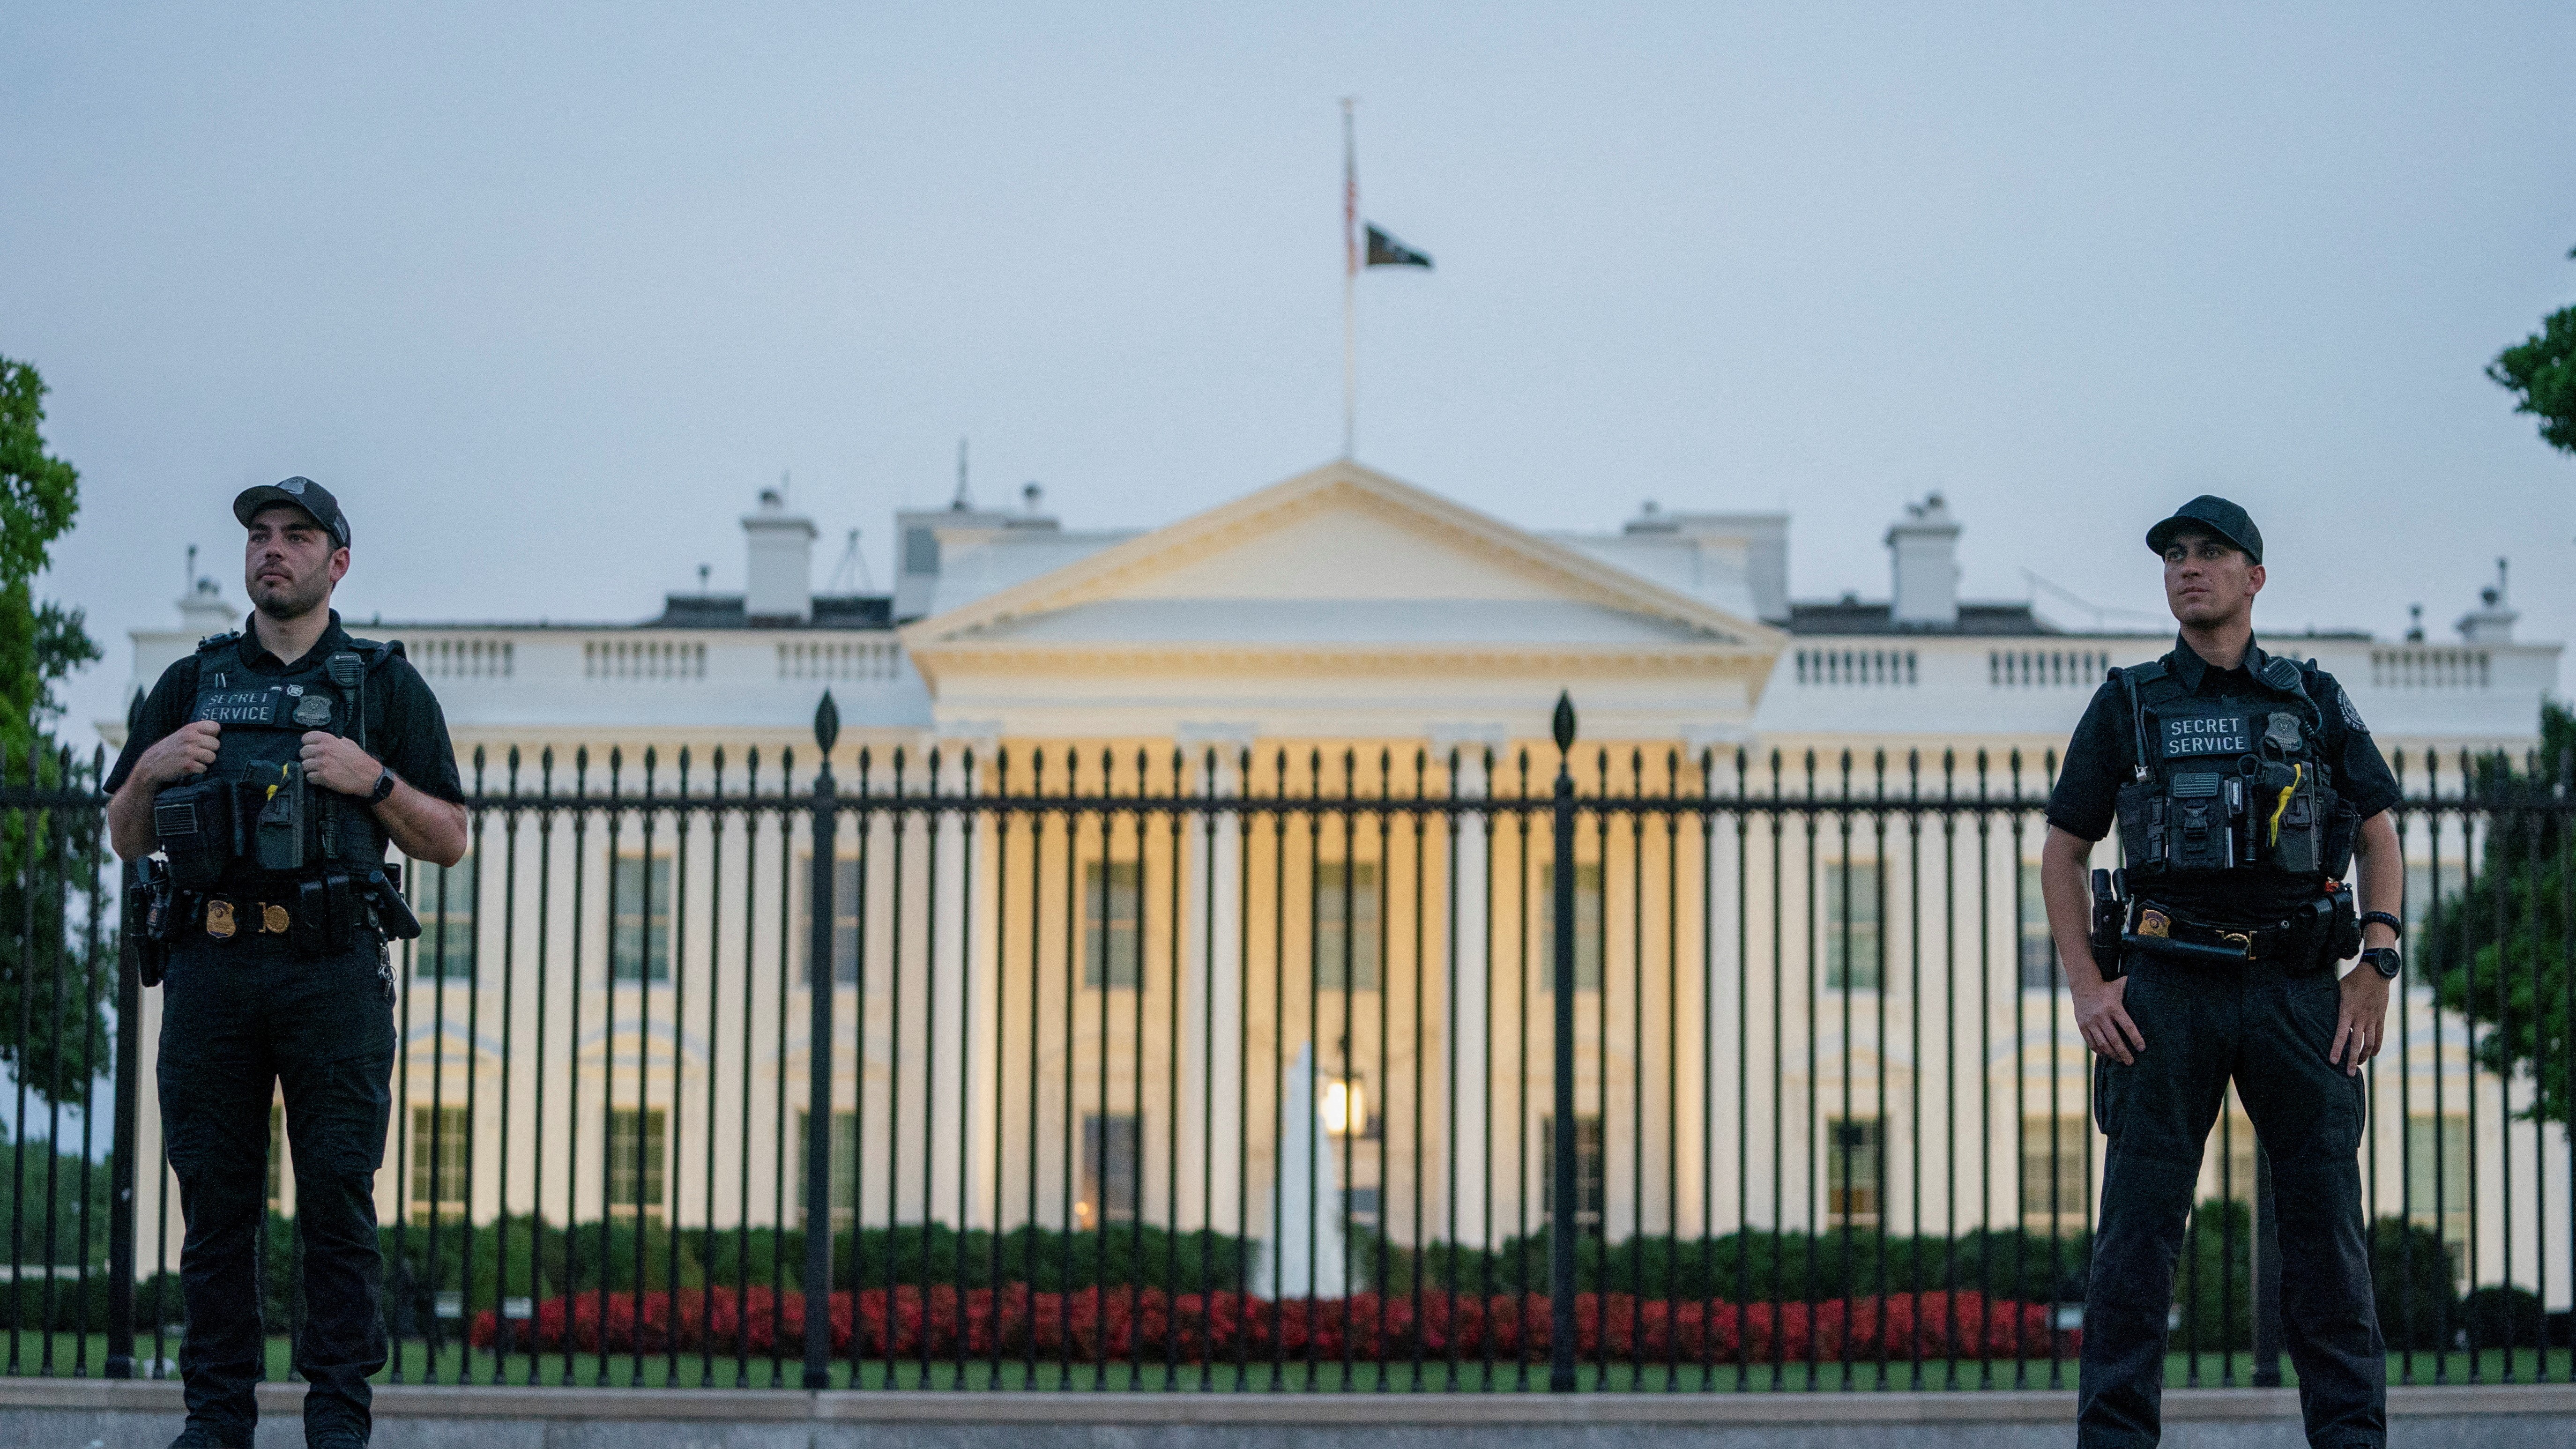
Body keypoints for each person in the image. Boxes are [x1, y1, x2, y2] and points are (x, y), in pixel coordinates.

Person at [106, 478, 468, 1449]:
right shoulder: (194, 681)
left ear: (336, 561)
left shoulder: (383, 683)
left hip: (332, 969)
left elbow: (450, 838)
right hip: (210, 966)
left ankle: (337, 1423)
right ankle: (215, 1422)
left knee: (339, 1202)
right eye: (260, 535)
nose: (274, 549)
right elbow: (123, 832)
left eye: (297, 536)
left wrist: (373, 777)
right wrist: (150, 767)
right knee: (215, 1209)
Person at [2040, 496, 2403, 1448]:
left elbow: (2376, 831)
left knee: (2327, 1249)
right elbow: (2062, 850)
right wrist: (2087, 985)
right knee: (2134, 1249)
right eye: (2174, 555)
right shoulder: (2127, 700)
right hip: (2164, 992)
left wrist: (2378, 959)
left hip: (2296, 992)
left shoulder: (2310, 697)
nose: (2187, 567)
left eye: (2210, 552)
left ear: (2255, 577)